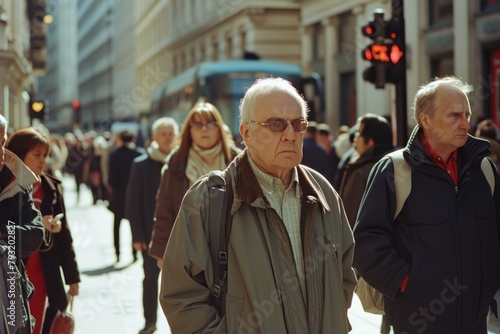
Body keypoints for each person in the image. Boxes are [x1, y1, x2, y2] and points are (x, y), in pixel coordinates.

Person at [159, 77, 356, 333]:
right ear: (246, 133)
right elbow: (181, 296)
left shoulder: (323, 192)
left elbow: (345, 275)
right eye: (276, 124)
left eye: (298, 124)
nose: (290, 135)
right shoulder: (210, 199)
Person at [353, 76, 500, 333]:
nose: (465, 124)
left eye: (467, 114)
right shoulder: (394, 170)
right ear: (426, 119)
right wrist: (407, 283)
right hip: (418, 322)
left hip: (476, 323)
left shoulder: (484, 170)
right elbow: (366, 241)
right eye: (454, 116)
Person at [7, 127, 81, 334]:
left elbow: (65, 235)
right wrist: (40, 224)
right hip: (15, 269)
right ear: (20, 155)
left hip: (44, 269)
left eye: (45, 155)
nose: (43, 161)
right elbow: (6, 228)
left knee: (39, 324)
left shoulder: (51, 186)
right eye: (37, 155)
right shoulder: (8, 186)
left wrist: (72, 276)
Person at [149, 102, 241, 268]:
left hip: (233, 249)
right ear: (189, 130)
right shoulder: (176, 163)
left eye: (210, 124)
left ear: (219, 128)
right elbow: (165, 210)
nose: (204, 129)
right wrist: (162, 253)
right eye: (198, 124)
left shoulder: (237, 161)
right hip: (189, 250)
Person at [125, 117, 179, 334]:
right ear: (155, 137)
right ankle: (150, 322)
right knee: (150, 280)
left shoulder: (181, 163)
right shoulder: (142, 164)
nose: (167, 137)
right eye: (163, 133)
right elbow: (132, 203)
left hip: (180, 234)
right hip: (150, 235)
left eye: (170, 133)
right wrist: (137, 236)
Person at [0, 116, 44, 334]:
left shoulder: (17, 182)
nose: (1, 152)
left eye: (2, 143)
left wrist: (4, 233)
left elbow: (35, 234)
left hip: (11, 297)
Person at [339, 113, 394, 227]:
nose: (355, 138)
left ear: (370, 141)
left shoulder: (360, 172)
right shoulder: (397, 165)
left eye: (358, 133)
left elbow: (349, 220)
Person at [108, 130, 146, 263]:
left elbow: (112, 180)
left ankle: (117, 253)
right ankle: (134, 253)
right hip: (136, 195)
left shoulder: (115, 155)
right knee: (134, 223)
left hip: (119, 195)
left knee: (116, 225)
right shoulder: (140, 153)